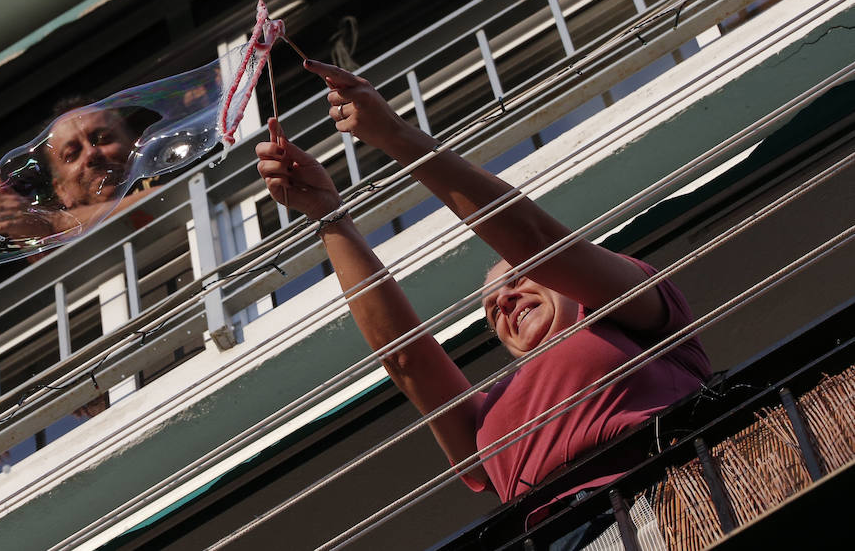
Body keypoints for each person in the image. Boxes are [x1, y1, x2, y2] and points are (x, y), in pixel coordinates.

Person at [255, 60, 710, 535]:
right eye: (492, 311)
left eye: (517, 279)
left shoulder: (636, 310)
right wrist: (329, 216)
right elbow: (406, 359)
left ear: (566, 283)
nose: (505, 302)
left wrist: (394, 136)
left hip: (667, 496)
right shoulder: (488, 417)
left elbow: (532, 237)